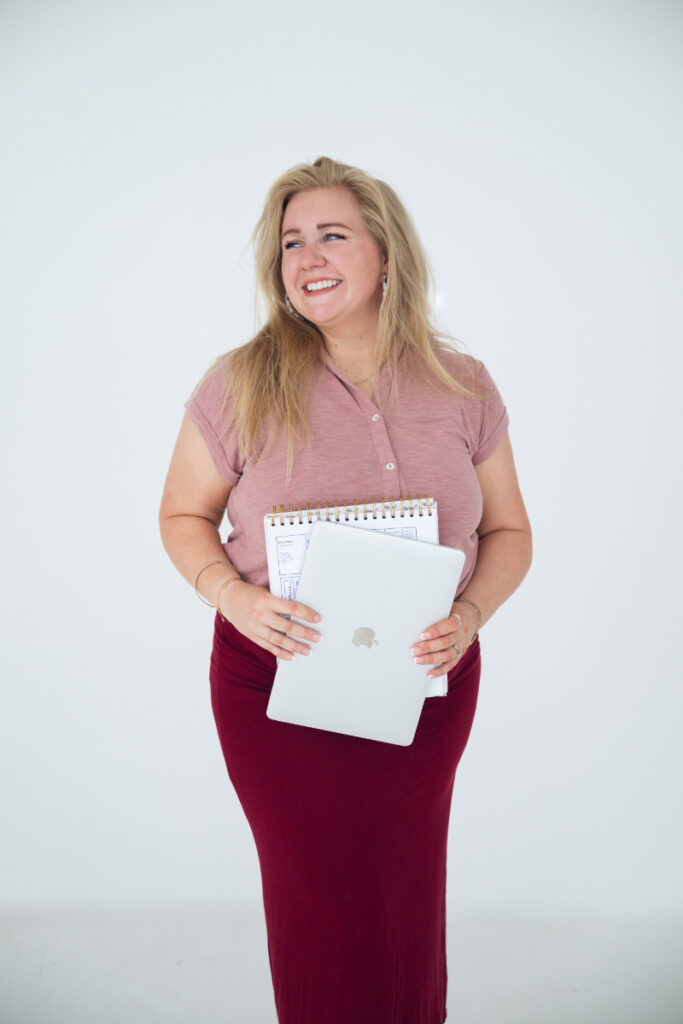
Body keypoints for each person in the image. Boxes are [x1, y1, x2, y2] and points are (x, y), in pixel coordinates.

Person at [159, 156, 532, 1024]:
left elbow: (509, 533)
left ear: (387, 257)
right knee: (319, 904)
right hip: (277, 686)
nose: (306, 256)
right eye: (291, 241)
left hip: (425, 683)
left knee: (404, 895)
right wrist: (237, 599)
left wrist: (471, 614)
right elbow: (182, 516)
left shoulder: (463, 385)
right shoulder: (238, 383)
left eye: (331, 234)